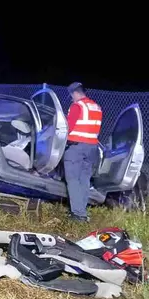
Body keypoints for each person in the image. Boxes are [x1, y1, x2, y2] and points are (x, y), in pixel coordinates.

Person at [63, 82, 102, 222]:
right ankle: (82, 211)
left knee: (73, 179)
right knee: (84, 180)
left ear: (75, 93)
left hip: (76, 148)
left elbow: (68, 127)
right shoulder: (96, 107)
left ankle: (78, 214)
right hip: (92, 148)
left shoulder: (77, 106)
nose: (71, 98)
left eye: (71, 95)